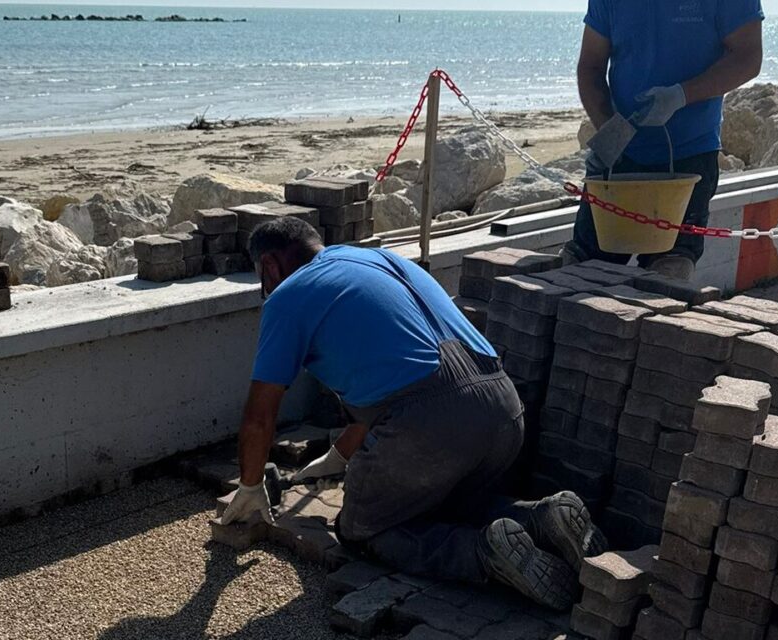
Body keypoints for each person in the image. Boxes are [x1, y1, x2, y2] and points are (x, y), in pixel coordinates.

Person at [218, 217, 606, 610]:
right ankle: (541, 518)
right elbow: (393, 385)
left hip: (433, 428)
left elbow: (259, 417)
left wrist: (250, 487)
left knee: (363, 529)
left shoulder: (289, 296)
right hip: (503, 408)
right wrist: (337, 458)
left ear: (269, 265)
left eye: (260, 277)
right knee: (439, 506)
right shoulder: (382, 260)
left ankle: (481, 553)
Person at [562, 0, 765, 279]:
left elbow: (748, 57)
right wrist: (609, 130)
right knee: (579, 267)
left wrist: (681, 95)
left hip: (689, 157)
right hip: (621, 155)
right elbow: (590, 67)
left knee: (669, 272)